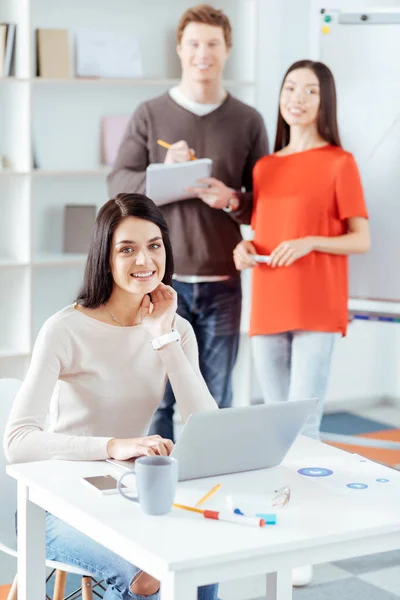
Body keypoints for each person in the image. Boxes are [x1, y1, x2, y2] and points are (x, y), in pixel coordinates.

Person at [4, 193, 218, 600]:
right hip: (55, 503)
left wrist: (163, 338)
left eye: (154, 246)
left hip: (128, 495)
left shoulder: (176, 330)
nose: (144, 261)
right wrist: (113, 446)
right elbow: (17, 442)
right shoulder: (64, 329)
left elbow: (204, 425)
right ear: (105, 257)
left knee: (200, 560)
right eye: (127, 249)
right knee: (146, 578)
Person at [234, 59, 370, 587]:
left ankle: (303, 540)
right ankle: (280, 528)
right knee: (275, 428)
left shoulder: (340, 162)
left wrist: (313, 241)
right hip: (268, 301)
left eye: (310, 90)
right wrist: (245, 248)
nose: (298, 97)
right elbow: (264, 234)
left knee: (305, 429)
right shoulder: (265, 167)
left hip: (316, 304)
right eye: (290, 87)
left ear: (323, 102)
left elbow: (361, 238)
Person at [108, 4, 269, 441]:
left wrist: (233, 199)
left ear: (227, 50)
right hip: (159, 284)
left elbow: (265, 202)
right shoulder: (149, 113)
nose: (203, 53)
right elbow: (117, 184)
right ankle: (153, 491)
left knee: (215, 396)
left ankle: (211, 488)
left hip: (222, 282)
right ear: (180, 49)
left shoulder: (248, 120)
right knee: (156, 397)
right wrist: (162, 169)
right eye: (194, 43)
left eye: (213, 44)